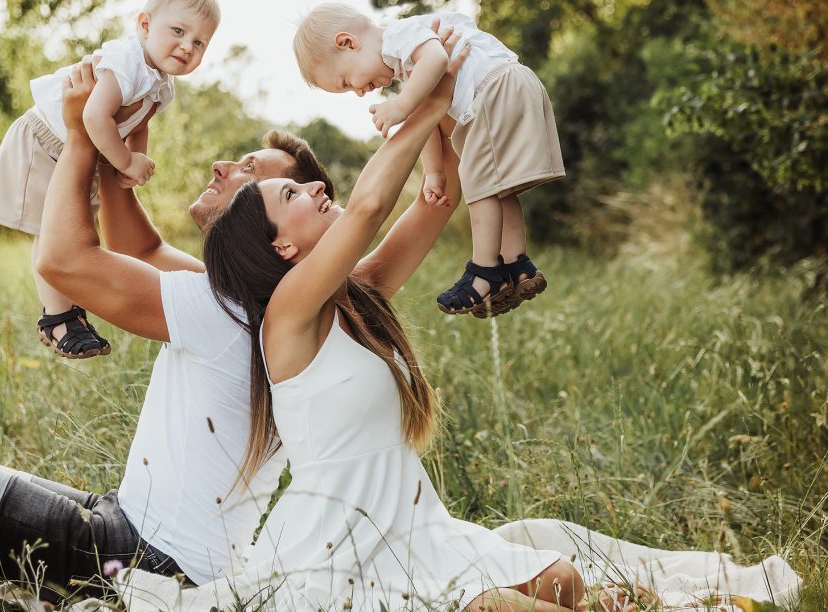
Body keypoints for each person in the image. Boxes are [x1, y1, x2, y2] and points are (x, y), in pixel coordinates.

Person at [0, 27, 466, 605]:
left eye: (259, 178)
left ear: (279, 237)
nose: (227, 169)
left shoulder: (227, 307)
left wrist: (79, 138)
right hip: (155, 536)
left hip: (147, 555)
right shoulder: (328, 299)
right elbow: (433, 202)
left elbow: (66, 259)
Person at [198, 44, 588, 610]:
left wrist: (443, 108)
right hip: (341, 550)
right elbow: (368, 208)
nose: (315, 188)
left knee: (565, 583)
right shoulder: (288, 314)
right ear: (282, 245)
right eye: (293, 194)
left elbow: (442, 195)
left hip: (417, 529)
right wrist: (427, 102)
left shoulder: (359, 293)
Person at [0, 0, 219, 360]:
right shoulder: (126, 60)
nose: (187, 46)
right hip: (46, 142)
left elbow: (138, 122)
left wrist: (133, 162)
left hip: (79, 154)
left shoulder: (162, 84)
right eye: (177, 30)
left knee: (78, 232)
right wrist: (124, 159)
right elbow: (93, 116)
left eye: (199, 42)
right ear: (145, 25)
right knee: (53, 231)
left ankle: (71, 312)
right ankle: (58, 317)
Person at [293, 3, 565, 319]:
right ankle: (517, 266)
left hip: (494, 87)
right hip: (505, 87)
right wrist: (434, 171)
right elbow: (429, 117)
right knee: (498, 188)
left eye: (345, 82)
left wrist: (401, 106)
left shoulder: (398, 34)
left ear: (347, 42)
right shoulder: (408, 61)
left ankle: (484, 272)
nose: (357, 92)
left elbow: (436, 61)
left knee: (478, 183)